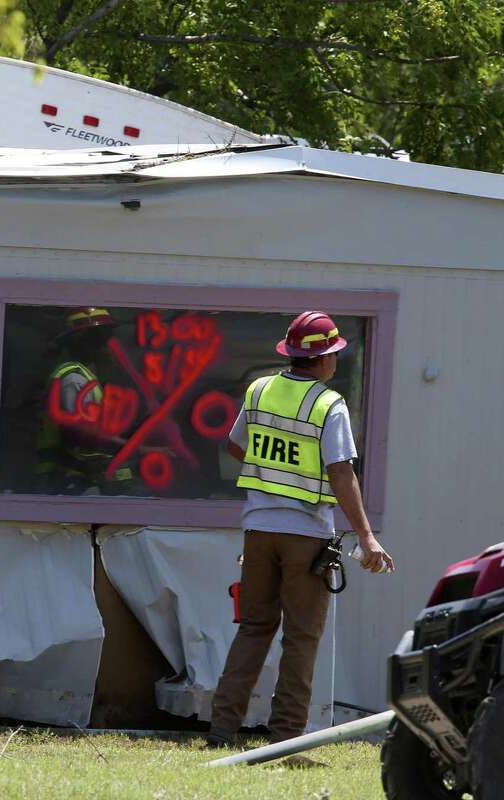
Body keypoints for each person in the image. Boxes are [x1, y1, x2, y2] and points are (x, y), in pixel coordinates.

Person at [207, 310, 394, 746]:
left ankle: (221, 730)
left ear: (291, 354)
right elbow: (341, 473)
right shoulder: (329, 404)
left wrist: (272, 477)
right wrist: (366, 537)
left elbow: (235, 446)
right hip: (306, 536)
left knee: (254, 628)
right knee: (301, 636)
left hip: (258, 530)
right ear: (326, 359)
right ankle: (286, 739)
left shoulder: (259, 390)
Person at [35, 307, 132, 493]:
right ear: (81, 341)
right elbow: (84, 434)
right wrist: (138, 447)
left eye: (106, 336)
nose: (107, 344)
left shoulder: (87, 375)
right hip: (71, 480)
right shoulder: (73, 378)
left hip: (84, 476)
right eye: (100, 338)